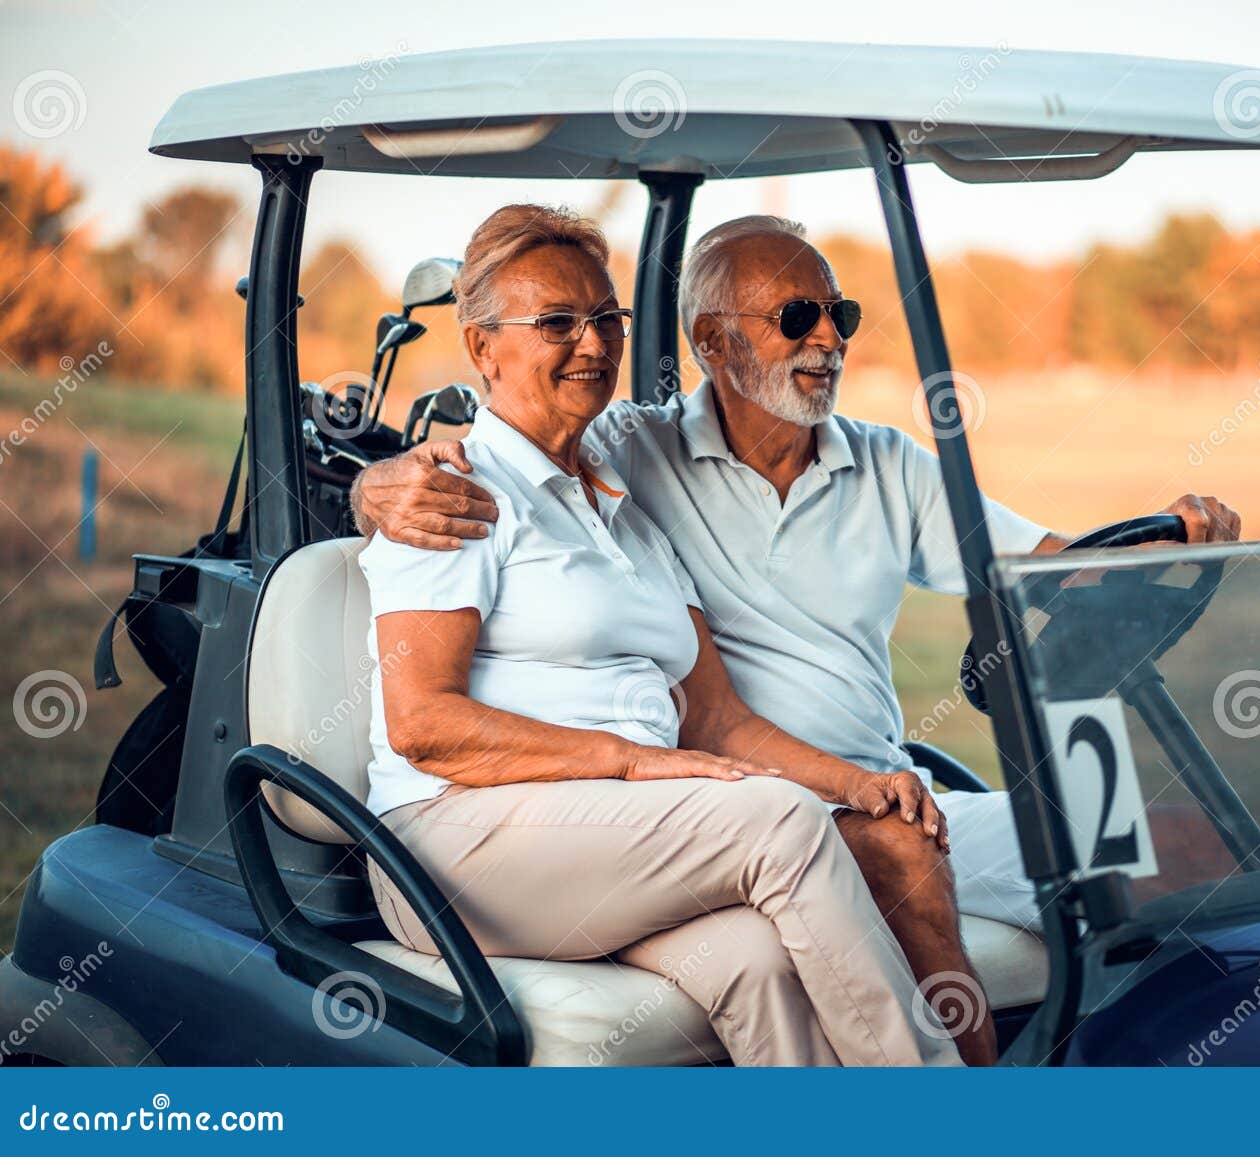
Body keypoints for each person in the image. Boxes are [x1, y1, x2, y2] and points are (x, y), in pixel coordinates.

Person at [354, 214, 1241, 1065]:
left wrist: (1172, 543)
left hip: (785, 791)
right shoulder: (631, 453)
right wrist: (378, 486)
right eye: (795, 317)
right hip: (721, 809)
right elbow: (471, 492)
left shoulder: (630, 502)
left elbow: (1045, 572)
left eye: (838, 314)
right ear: (712, 342)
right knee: (862, 840)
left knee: (1170, 840)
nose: (828, 338)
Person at [360, 202, 960, 1068]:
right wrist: (636, 759)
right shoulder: (455, 495)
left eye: (607, 318)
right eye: (558, 322)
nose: (594, 344)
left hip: (608, 837)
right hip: (453, 844)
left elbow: (716, 722)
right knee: (782, 822)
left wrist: (859, 784)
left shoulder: (624, 510)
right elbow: (424, 725)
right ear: (484, 347)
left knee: (756, 961)